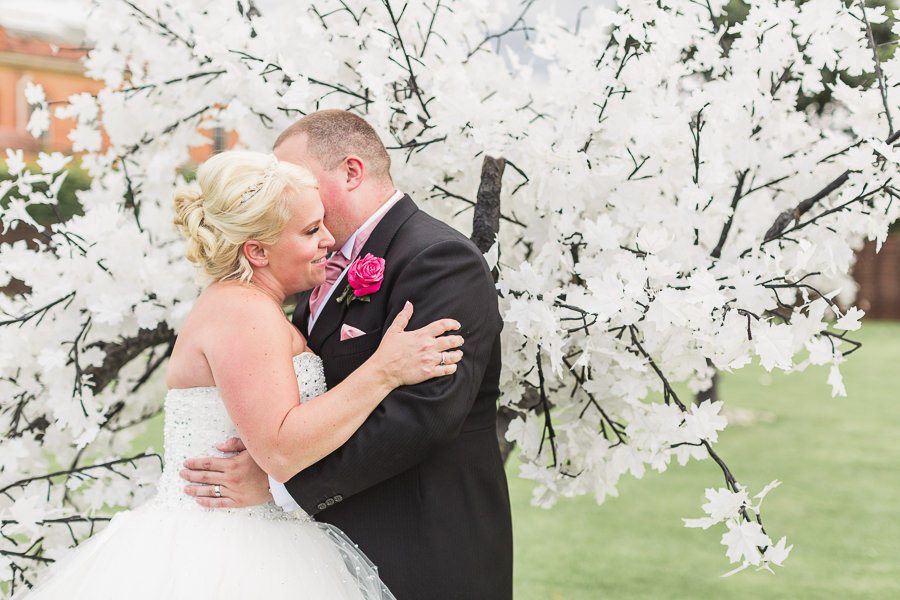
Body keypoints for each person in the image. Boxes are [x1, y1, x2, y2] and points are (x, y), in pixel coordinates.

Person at [19, 150, 465, 599]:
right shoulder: (242, 312)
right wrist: (384, 371)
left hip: (259, 534)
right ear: (257, 250)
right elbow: (279, 449)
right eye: (311, 230)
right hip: (225, 550)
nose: (329, 239)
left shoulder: (248, 304)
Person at [181, 110, 514, 599]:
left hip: (420, 545)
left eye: (301, 180)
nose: (290, 196)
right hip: (324, 553)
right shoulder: (305, 267)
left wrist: (286, 485)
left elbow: (424, 413)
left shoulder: (437, 257)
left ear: (352, 172)